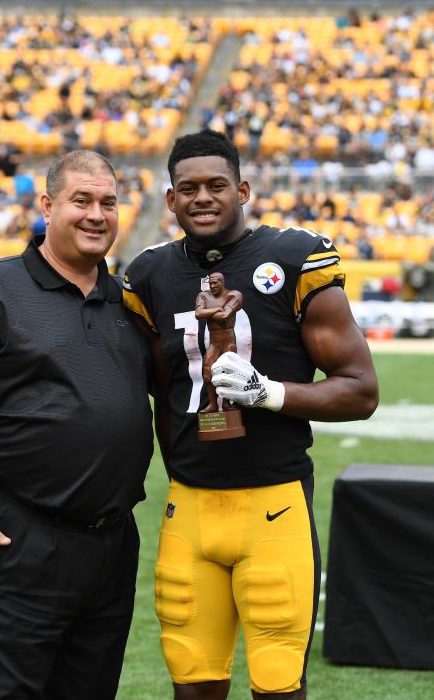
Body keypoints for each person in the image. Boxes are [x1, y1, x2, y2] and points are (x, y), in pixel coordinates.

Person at [122, 129, 379, 699]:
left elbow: (361, 390)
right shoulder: (149, 275)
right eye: (187, 188)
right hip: (187, 505)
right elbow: (157, 391)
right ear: (170, 200)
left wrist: (268, 393)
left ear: (242, 190)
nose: (202, 198)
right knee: (191, 679)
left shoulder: (293, 257)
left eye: (217, 185)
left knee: (277, 684)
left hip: (273, 504)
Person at [0, 150, 154, 700]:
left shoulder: (128, 301)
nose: (97, 215)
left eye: (109, 203)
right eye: (81, 201)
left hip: (112, 543)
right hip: (19, 536)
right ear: (47, 206)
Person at [195, 272, 243, 413]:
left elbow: (225, 316)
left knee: (227, 371)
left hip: (228, 338)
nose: (212, 285)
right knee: (207, 372)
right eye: (210, 283)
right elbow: (198, 314)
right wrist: (216, 308)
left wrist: (207, 312)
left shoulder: (234, 295)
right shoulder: (203, 295)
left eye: (216, 282)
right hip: (214, 340)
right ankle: (213, 404)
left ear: (223, 282)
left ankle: (227, 403)